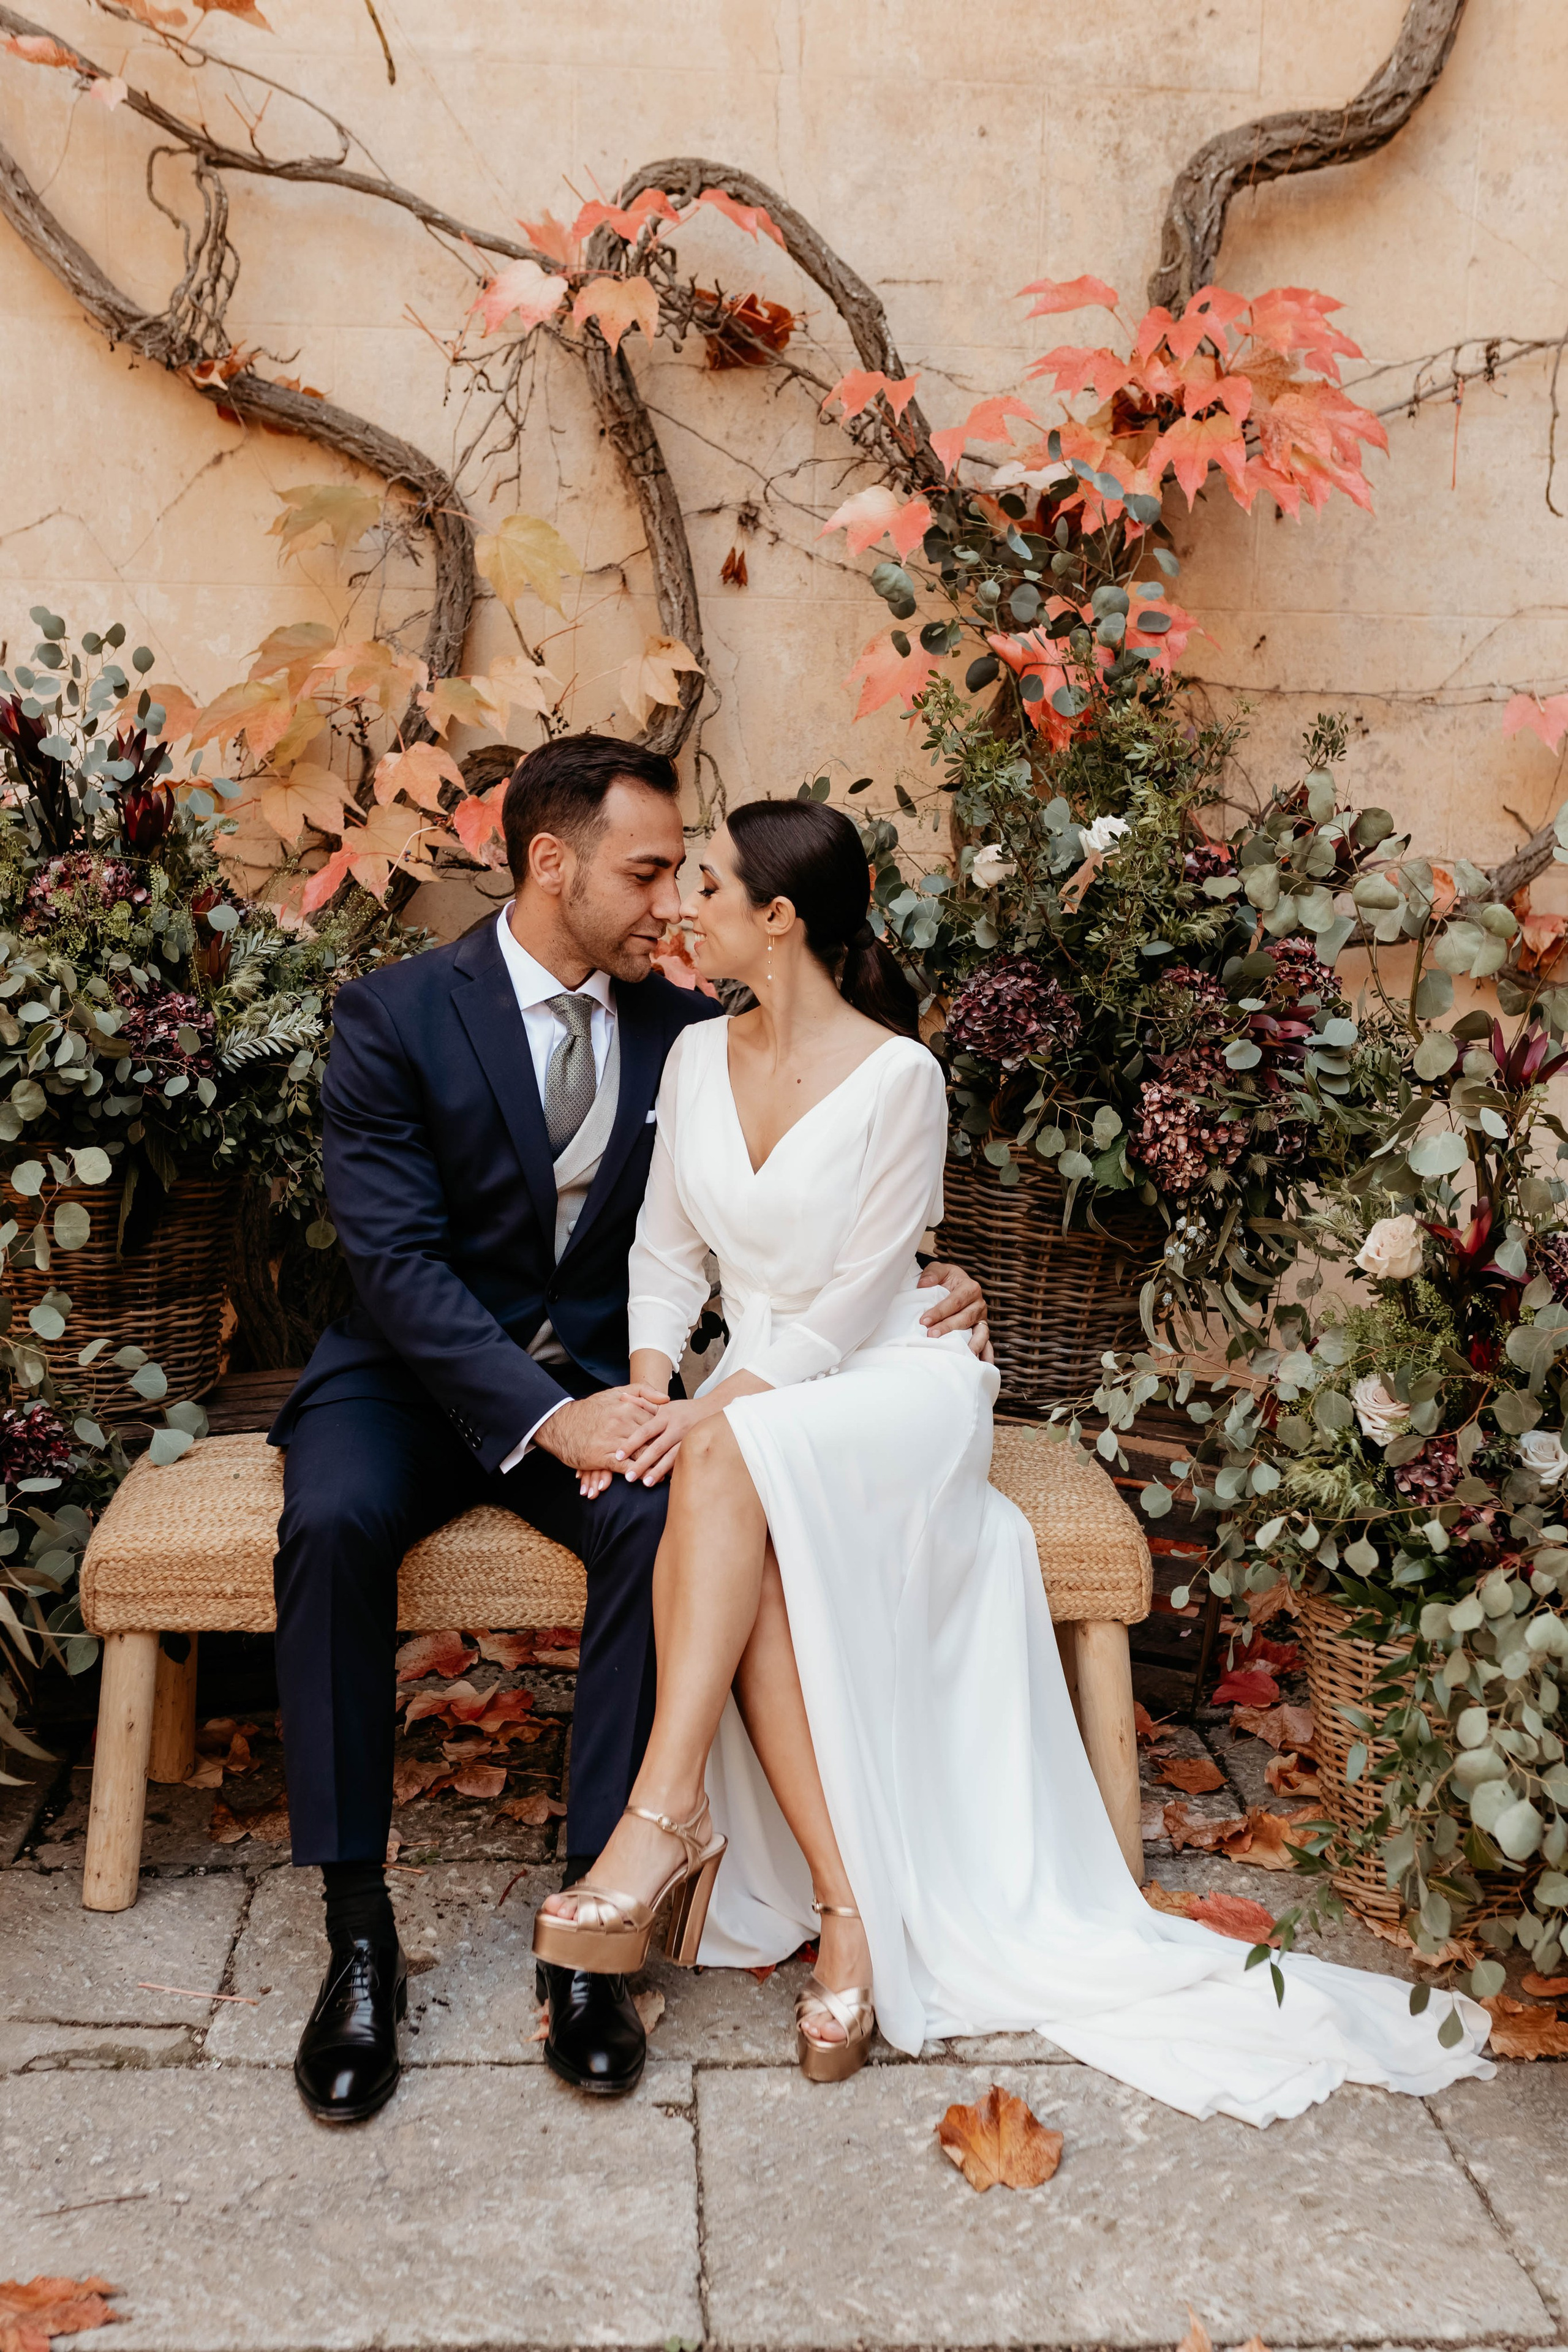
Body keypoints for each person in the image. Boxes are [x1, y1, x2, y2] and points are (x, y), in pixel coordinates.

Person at [535, 797, 1494, 2125]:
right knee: (734, 1476)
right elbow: (661, 1259)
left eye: (703, 884)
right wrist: (653, 1397)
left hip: (885, 1382)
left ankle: (659, 1817)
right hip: (750, 1400)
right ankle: (845, 1905)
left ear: (779, 916)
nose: (678, 905)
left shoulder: (896, 1079)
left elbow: (849, 1300)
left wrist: (708, 1416)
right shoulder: (695, 1058)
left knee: (735, 1456)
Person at [268, 736, 990, 2122]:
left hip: (619, 1383)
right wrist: (552, 1415)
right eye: (647, 869)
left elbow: (818, 1171)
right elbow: (396, 1267)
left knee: (653, 1522)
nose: (670, 902)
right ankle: (358, 1937)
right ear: (553, 863)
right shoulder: (392, 1016)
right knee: (333, 1519)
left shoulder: (688, 1028)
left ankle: (592, 1940)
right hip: (415, 1380)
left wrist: (931, 1284)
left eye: (685, 875)